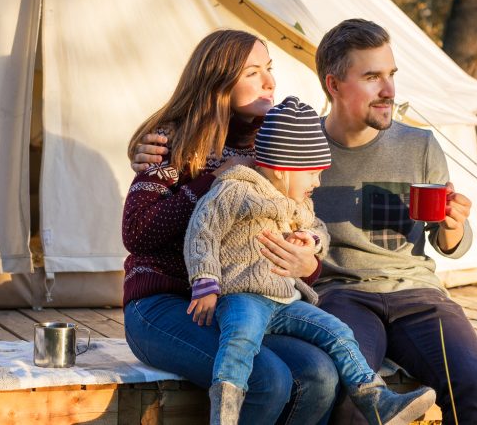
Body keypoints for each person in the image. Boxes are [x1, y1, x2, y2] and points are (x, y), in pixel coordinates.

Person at [133, 19, 477, 424]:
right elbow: (157, 225)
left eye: (391, 75)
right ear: (334, 85)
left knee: (465, 384)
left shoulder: (405, 144)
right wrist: (203, 177)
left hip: (406, 293)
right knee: (312, 387)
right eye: (373, 76)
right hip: (303, 295)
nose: (389, 90)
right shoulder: (265, 147)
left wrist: (452, 227)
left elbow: (303, 232)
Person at [121, 29, 340, 425]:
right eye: (253, 73)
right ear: (218, 83)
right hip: (163, 304)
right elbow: (137, 233)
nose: (270, 82)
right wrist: (214, 180)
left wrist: (307, 262)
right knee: (267, 379)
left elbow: (299, 226)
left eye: (269, 69)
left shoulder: (272, 146)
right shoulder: (171, 144)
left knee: (319, 375)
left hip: (244, 304)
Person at [185, 95, 436, 425]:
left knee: (338, 332)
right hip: (243, 296)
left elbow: (320, 229)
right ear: (282, 169)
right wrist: (205, 282)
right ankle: (226, 414)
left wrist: (313, 240)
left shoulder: (298, 204)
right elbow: (201, 230)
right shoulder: (235, 191)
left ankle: (376, 400)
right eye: (313, 173)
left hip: (285, 302)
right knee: (240, 342)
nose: (317, 182)